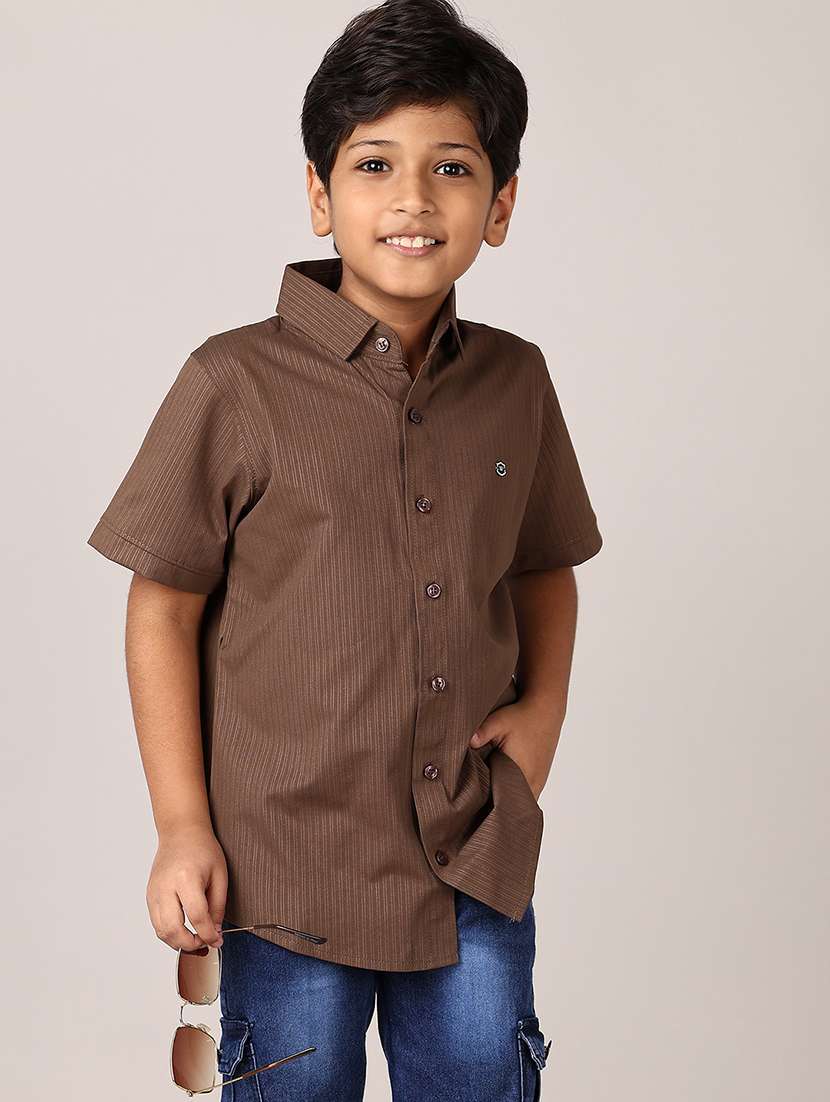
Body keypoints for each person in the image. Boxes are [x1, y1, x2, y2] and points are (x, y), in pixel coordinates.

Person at [86, 1, 603, 1098]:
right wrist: (181, 826)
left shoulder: (516, 381)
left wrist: (545, 710)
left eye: (452, 168)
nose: (413, 198)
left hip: (470, 853)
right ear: (321, 196)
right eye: (374, 165)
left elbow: (543, 563)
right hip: (281, 872)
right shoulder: (233, 381)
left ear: (501, 204)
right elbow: (162, 604)